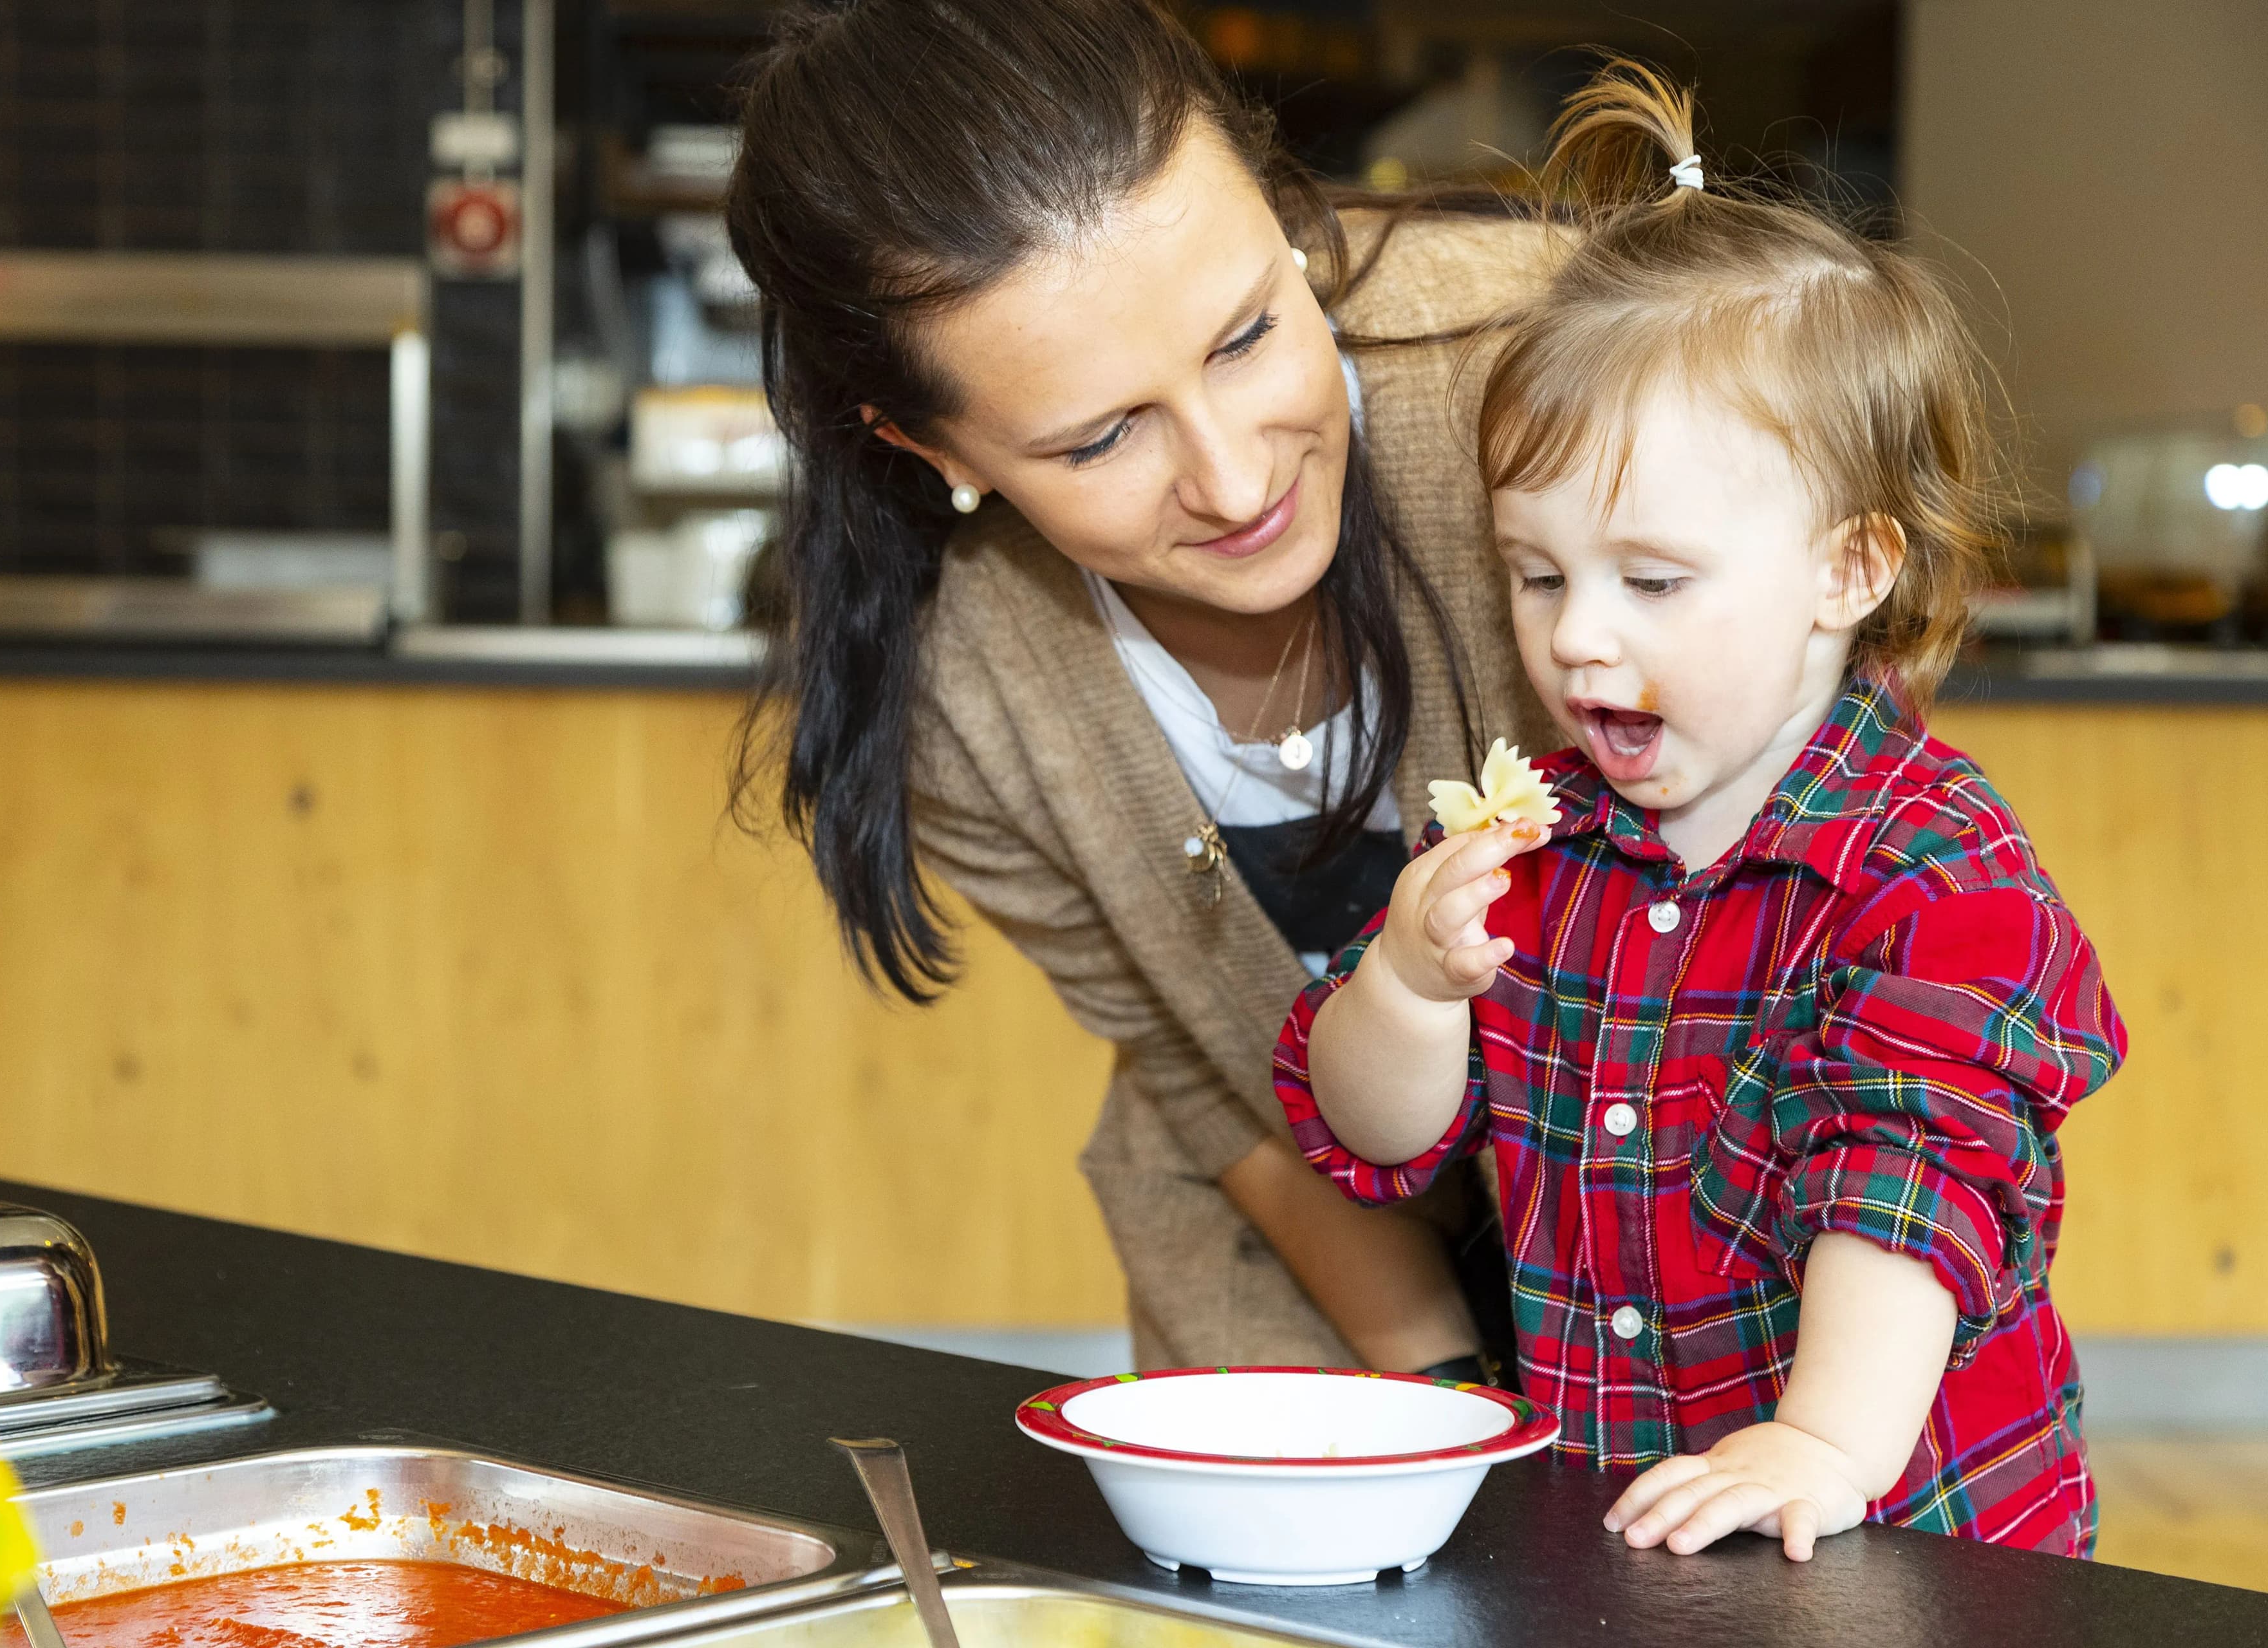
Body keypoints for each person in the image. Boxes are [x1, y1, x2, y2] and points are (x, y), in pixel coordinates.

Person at [1273, 63, 2126, 1558]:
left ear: (1847, 571)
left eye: (1652, 580)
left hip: (1908, 1530)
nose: (1577, 635)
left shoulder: (1936, 875)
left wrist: (1819, 1444)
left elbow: (1911, 1179)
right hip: (1631, 1515)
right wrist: (1408, 983)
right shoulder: (1533, 842)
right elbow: (1371, 1136)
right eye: (1538, 575)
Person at [725, 0, 1563, 1374]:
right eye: (1102, 437)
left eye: (1247, 337)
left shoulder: (1569, 371)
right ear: (931, 448)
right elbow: (1211, 1088)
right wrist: (1449, 1396)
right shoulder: (965, 697)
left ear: (1285, 219)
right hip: (1300, 1300)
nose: (1236, 481)